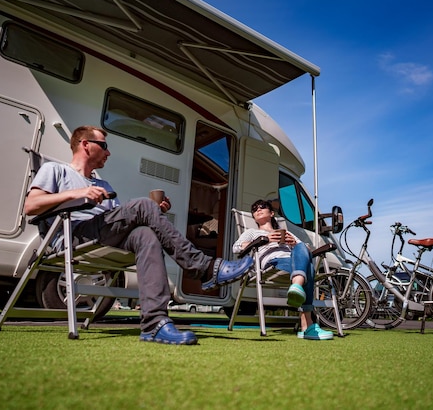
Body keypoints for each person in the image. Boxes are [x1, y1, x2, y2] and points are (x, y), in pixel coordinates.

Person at [24, 125, 253, 346]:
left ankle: (155, 324)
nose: (108, 152)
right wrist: (77, 193)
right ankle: (204, 268)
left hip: (101, 235)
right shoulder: (55, 170)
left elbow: (118, 219)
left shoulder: (103, 184)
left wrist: (156, 213)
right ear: (85, 144)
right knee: (143, 205)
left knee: (145, 234)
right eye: (104, 145)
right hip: (73, 233)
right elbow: (30, 206)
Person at [232, 199, 334, 340]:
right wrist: (265, 239)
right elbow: (236, 247)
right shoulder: (252, 232)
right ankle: (307, 324)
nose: (258, 210)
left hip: (292, 262)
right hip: (272, 263)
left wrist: (293, 243)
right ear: (254, 217)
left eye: (262, 207)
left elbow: (306, 250)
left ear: (272, 213)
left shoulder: (286, 233)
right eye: (255, 209)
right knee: (309, 268)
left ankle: (297, 284)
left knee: (302, 248)